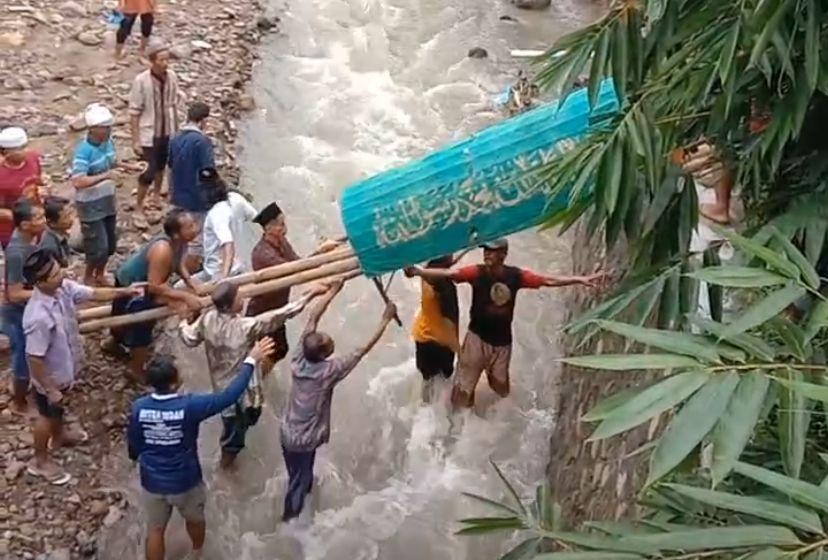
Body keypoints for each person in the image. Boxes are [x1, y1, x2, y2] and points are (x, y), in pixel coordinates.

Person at [405, 238, 603, 408]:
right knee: (462, 393)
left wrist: (580, 279)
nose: (486, 254)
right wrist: (419, 272)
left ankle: (502, 418)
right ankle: (460, 428)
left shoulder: (515, 276)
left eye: (491, 251)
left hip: (502, 344)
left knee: (500, 387)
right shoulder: (477, 273)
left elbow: (547, 280)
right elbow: (449, 274)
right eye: (485, 250)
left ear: (503, 254)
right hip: (476, 339)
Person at [128, 337, 276, 560]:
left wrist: (138, 457)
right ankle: (196, 552)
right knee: (195, 520)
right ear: (174, 382)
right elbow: (229, 396)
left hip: (152, 482)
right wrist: (251, 360)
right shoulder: (190, 406)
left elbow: (134, 445)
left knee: (155, 530)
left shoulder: (139, 407)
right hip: (185, 482)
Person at [22, 250, 143, 484]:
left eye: (59, 270)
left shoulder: (63, 288)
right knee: (45, 416)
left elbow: (94, 293)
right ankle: (39, 461)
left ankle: (60, 436)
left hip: (64, 371)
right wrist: (49, 388)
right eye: (55, 274)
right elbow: (34, 357)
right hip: (50, 377)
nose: (62, 275)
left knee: (58, 408)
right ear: (39, 283)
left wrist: (125, 291)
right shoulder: (38, 316)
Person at [179, 281, 328, 469]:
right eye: (239, 297)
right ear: (231, 304)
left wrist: (183, 320)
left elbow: (189, 338)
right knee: (235, 435)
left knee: (234, 424)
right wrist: (309, 296)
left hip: (221, 389)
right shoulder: (245, 327)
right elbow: (282, 314)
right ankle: (225, 468)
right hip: (244, 392)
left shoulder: (207, 320)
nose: (243, 298)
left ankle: (230, 455)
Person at [281, 281, 397, 521]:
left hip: (286, 432)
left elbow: (313, 315)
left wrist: (334, 291)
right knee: (299, 482)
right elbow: (362, 350)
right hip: (304, 439)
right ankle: (290, 522)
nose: (329, 339)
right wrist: (385, 320)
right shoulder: (328, 372)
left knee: (297, 475)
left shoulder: (298, 358)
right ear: (324, 354)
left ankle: (300, 502)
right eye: (327, 341)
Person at [247, 202, 340, 373]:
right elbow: (294, 271)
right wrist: (320, 252)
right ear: (269, 228)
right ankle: (256, 379)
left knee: (279, 350)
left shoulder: (281, 242)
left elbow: (298, 262)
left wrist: (323, 253)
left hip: (278, 307)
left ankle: (261, 376)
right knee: (269, 350)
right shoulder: (263, 254)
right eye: (281, 224)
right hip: (263, 311)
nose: (285, 228)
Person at [111, 209, 203, 382]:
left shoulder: (180, 243)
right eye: (190, 226)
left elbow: (179, 263)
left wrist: (190, 282)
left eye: (194, 224)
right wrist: (184, 297)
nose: (195, 228)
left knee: (125, 319)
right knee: (140, 326)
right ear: (176, 234)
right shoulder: (162, 250)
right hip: (133, 286)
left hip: (149, 282)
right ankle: (135, 369)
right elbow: (154, 287)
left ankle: (117, 343)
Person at [1, 199, 46, 414]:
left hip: (27, 306)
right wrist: (46, 292)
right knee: (24, 355)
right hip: (17, 311)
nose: (44, 220)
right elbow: (15, 293)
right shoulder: (17, 252)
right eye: (38, 218)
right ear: (25, 225)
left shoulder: (31, 239)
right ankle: (18, 402)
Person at [129, 41, 180, 220]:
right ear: (152, 61)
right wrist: (135, 140)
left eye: (167, 59)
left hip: (167, 129)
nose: (165, 63)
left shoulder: (172, 77)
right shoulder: (141, 81)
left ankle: (157, 196)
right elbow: (134, 112)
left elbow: (173, 104)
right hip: (149, 132)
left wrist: (177, 129)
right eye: (161, 60)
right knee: (148, 170)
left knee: (162, 165)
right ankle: (139, 204)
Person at [71, 103, 120, 286]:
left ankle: (100, 273)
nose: (108, 131)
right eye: (104, 128)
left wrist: (130, 167)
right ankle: (88, 276)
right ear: (93, 129)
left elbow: (112, 163)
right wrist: (105, 176)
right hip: (90, 204)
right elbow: (78, 180)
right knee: (96, 246)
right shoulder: (84, 151)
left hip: (107, 200)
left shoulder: (108, 143)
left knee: (110, 244)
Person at [181, 169, 256, 286]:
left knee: (178, 287)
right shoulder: (236, 198)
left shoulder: (216, 213)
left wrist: (223, 277)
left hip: (216, 273)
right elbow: (259, 218)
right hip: (239, 266)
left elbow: (228, 243)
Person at [167, 102, 214, 272]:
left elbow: (170, 166)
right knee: (195, 242)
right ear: (202, 121)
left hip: (178, 195)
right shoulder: (202, 142)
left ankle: (173, 268)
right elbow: (207, 172)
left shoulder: (176, 138)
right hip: (197, 199)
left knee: (179, 237)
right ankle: (187, 277)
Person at [411, 254, 462, 402]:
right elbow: (447, 327)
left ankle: (424, 406)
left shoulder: (425, 276)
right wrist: (460, 353)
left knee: (427, 380)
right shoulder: (447, 290)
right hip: (441, 344)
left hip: (422, 337)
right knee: (444, 383)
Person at [0, 126, 45, 248]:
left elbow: (39, 180)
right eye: (19, 149)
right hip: (11, 229)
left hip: (36, 220)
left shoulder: (33, 159)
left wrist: (43, 189)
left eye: (25, 146)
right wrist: (14, 216)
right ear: (6, 152)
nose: (25, 151)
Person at [40, 196, 75, 269]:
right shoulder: (50, 246)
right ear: (52, 223)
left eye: (70, 214)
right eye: (66, 217)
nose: (72, 219)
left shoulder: (60, 234)